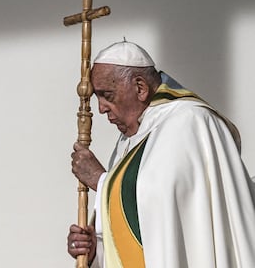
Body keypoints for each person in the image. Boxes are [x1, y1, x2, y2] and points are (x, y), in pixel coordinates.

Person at [67, 40, 255, 268]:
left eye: (108, 95)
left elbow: (159, 200)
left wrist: (101, 180)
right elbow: (145, 235)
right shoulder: (130, 139)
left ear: (140, 88)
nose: (101, 108)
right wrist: (96, 249)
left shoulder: (188, 121)